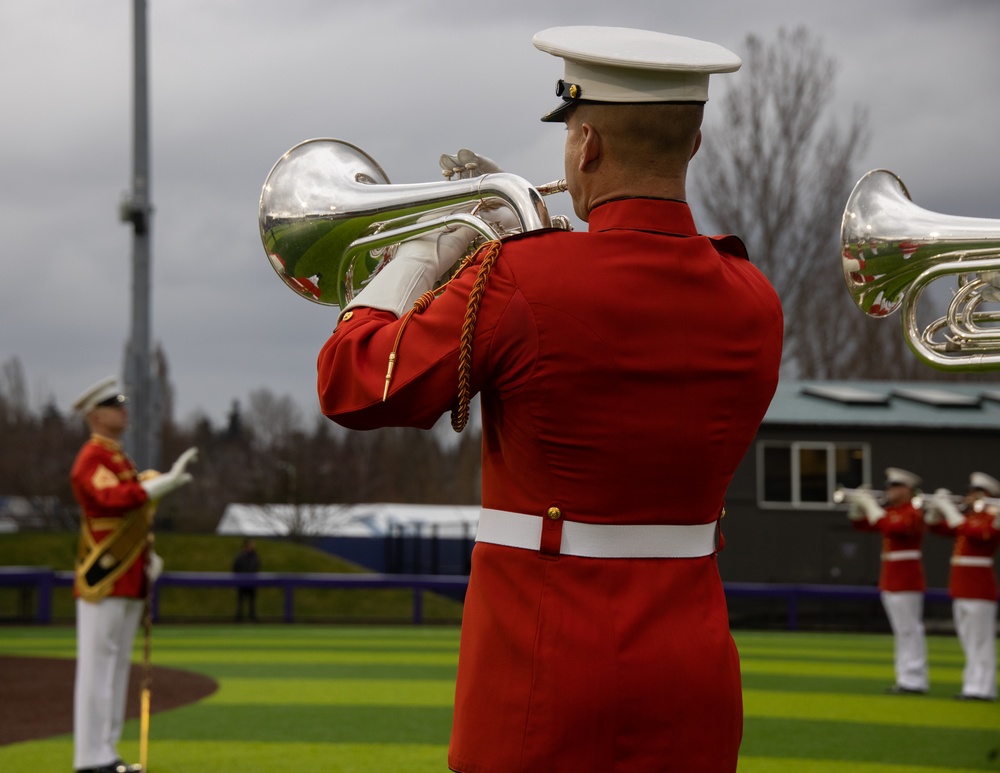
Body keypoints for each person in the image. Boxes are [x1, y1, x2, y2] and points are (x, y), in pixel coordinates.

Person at [316, 26, 783, 773]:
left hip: (540, 675)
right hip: (693, 679)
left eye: (569, 132)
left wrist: (430, 249)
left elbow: (349, 378)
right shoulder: (754, 296)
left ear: (587, 144)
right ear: (692, 146)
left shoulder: (519, 279)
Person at [70, 375, 198, 773]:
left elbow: (132, 510)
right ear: (95, 415)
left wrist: (149, 555)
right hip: (104, 578)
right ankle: (89, 757)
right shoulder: (92, 459)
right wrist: (155, 488)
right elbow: (110, 501)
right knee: (97, 670)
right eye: (115, 406)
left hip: (128, 575)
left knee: (116, 667)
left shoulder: (118, 458)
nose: (124, 411)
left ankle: (106, 753)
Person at [845, 467, 928, 694]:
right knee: (902, 631)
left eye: (895, 486)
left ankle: (915, 680)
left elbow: (893, 527)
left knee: (910, 630)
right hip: (892, 578)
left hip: (907, 579)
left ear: (906, 489)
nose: (889, 490)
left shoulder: (912, 512)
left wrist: (870, 505)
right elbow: (861, 524)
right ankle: (906, 679)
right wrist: (857, 504)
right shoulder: (893, 511)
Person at [924, 472, 1000, 701]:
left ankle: (983, 687)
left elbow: (978, 534)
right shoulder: (969, 517)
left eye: (974, 493)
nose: (968, 497)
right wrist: (937, 508)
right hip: (962, 586)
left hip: (979, 587)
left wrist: (950, 510)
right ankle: (972, 684)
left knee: (981, 640)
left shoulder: (993, 516)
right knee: (968, 639)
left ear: (987, 495)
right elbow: (936, 528)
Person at [233, 538, 261, 621]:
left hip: (252, 582)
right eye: (250, 545)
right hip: (241, 582)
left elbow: (257, 567)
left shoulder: (255, 557)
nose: (251, 547)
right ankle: (239, 617)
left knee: (252, 601)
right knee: (240, 601)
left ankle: (252, 617)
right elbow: (235, 568)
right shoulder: (240, 557)